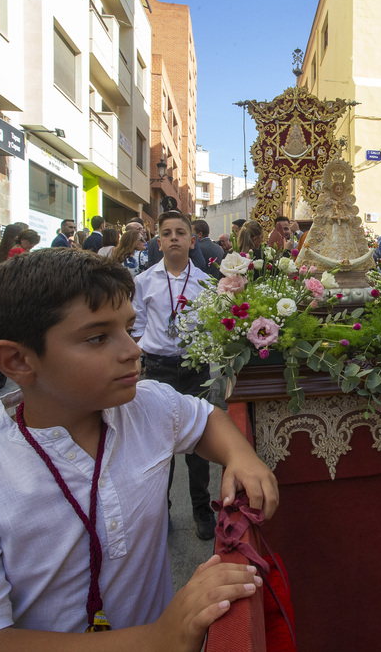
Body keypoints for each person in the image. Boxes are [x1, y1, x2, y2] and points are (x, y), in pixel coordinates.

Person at [0, 247, 277, 649]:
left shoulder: (145, 404)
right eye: (98, 337)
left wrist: (240, 456)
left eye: (130, 328)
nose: (133, 350)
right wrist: (157, 638)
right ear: (17, 360)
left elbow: (204, 419)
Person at [132, 211, 219, 540]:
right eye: (166, 233)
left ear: (191, 240)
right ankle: (160, 509)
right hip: (158, 369)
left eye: (180, 232)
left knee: (197, 442)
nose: (173, 238)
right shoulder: (144, 282)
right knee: (160, 445)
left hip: (193, 368)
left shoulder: (204, 282)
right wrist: (142, 353)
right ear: (158, 240)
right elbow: (138, 325)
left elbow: (212, 324)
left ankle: (200, 506)